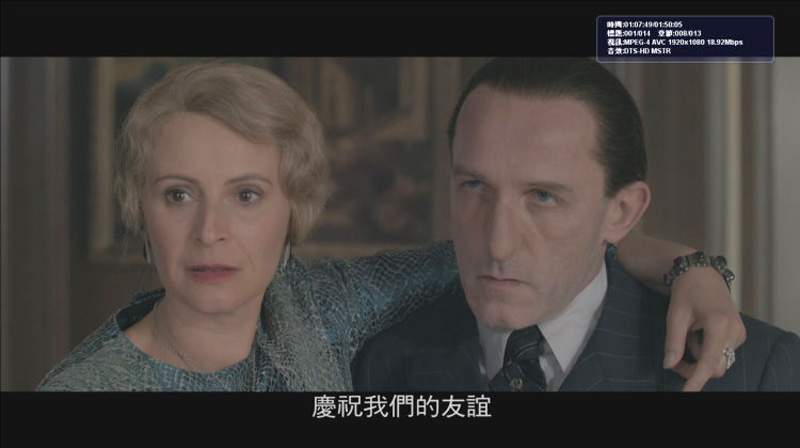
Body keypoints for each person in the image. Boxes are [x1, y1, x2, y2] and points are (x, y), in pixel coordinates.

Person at [38, 61, 745, 391]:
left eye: (246, 195)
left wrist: (693, 268)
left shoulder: (321, 307)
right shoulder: (87, 391)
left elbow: (522, 255)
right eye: (178, 195)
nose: (210, 232)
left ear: (293, 210)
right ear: (139, 209)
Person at [352, 58, 800, 392]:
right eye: (474, 185)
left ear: (621, 212)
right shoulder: (377, 363)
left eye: (543, 197)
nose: (498, 244)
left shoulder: (761, 374)